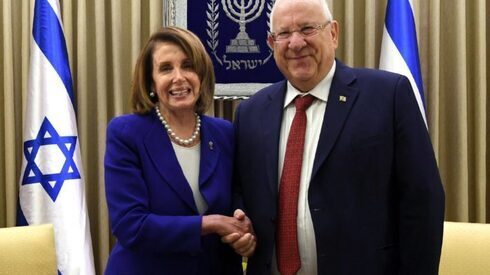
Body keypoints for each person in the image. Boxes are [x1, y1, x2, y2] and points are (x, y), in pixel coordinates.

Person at [232, 0, 445, 274]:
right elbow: (241, 189)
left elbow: (423, 200)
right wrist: (241, 221)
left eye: (307, 28)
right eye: (283, 34)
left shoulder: (387, 96)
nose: (296, 43)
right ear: (272, 43)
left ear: (333, 33)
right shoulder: (250, 112)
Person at [104, 26, 255, 275]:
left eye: (188, 66)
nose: (179, 77)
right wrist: (212, 223)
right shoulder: (126, 133)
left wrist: (243, 227)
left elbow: (237, 197)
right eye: (166, 68)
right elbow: (130, 225)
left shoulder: (224, 133)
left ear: (201, 75)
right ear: (151, 82)